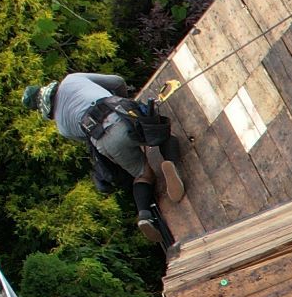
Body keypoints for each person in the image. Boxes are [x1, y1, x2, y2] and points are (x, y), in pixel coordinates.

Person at [24, 72, 179, 247]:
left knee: (144, 175)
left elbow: (87, 139)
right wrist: (123, 100)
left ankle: (144, 214)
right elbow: (118, 81)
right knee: (162, 135)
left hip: (104, 143)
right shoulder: (71, 80)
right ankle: (170, 164)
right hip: (121, 117)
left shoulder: (62, 127)